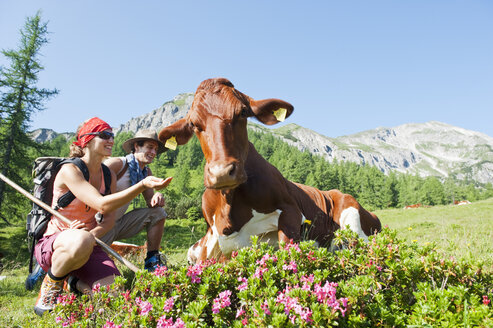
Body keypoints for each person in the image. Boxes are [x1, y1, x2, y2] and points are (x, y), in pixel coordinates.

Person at [33, 117, 171, 316]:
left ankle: (73, 282)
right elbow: (101, 204)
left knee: (115, 294)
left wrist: (90, 237)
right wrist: (142, 185)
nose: (111, 140)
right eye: (104, 135)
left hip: (90, 239)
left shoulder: (109, 175)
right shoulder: (71, 170)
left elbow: (108, 219)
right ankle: (51, 284)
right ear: (86, 140)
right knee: (81, 239)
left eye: (112, 136)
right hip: (56, 242)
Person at [102, 130, 169, 272]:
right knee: (93, 265)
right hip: (100, 223)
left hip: (119, 223)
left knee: (158, 212)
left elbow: (150, 201)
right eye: (150, 147)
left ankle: (152, 261)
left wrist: (157, 197)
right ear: (136, 147)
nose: (153, 152)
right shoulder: (117, 164)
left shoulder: (146, 172)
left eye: (156, 149)